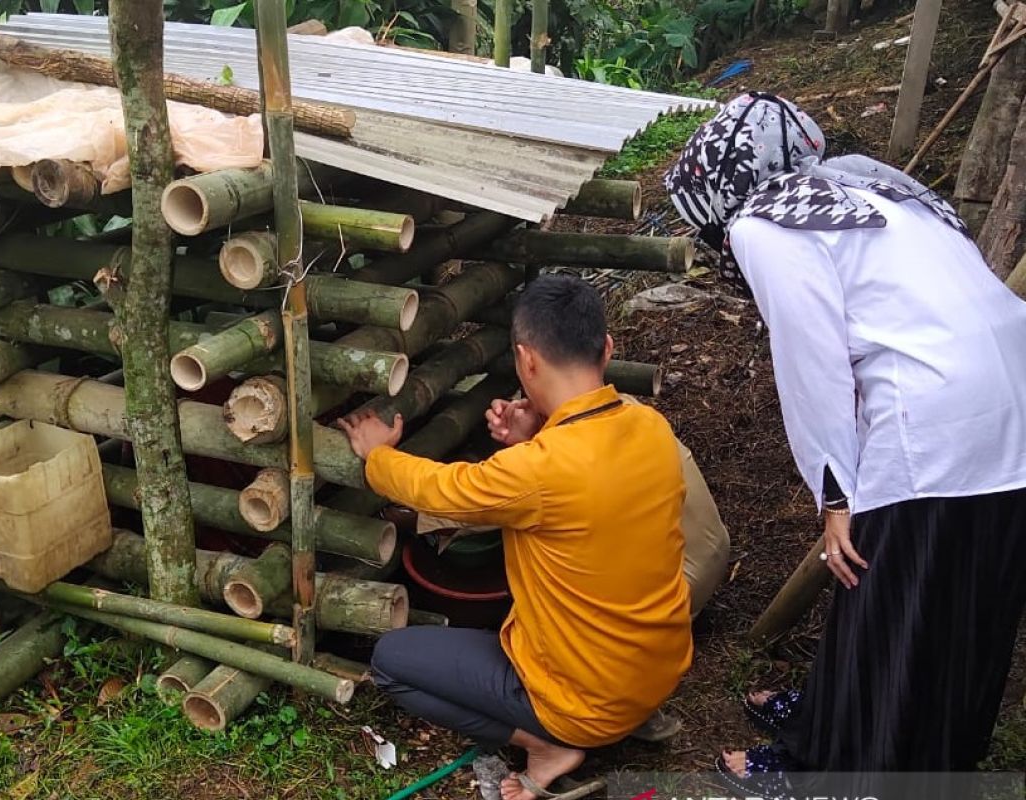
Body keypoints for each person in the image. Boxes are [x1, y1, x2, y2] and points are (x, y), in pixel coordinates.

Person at [664, 92, 1026, 796]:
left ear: (721, 186)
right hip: (1012, 400)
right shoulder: (869, 187)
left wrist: (837, 492)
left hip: (936, 416)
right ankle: (882, 738)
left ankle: (832, 773)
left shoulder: (764, 223)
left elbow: (813, 362)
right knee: (961, 600)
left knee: (881, 600)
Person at [339, 275, 694, 800]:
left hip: (583, 704)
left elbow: (443, 489)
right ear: (608, 348)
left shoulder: (539, 472)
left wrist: (379, 454)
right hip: (657, 673)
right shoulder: (652, 429)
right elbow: (583, 491)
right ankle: (609, 720)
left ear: (526, 360)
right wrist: (535, 435)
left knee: (393, 661)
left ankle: (548, 745)